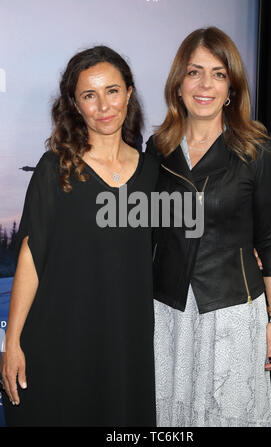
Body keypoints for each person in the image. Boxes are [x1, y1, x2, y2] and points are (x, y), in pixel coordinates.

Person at [0, 46, 158, 426]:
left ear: (129, 93)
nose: (103, 105)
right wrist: (13, 341)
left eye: (112, 91)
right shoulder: (55, 168)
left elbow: (175, 245)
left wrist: (242, 250)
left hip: (124, 343)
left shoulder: (155, 174)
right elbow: (31, 255)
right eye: (89, 95)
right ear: (75, 104)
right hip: (59, 339)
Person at [146, 27, 271, 427]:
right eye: (195, 72)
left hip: (231, 313)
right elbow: (150, 228)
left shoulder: (255, 151)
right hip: (168, 313)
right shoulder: (158, 148)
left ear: (232, 89)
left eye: (219, 73)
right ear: (178, 85)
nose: (205, 84)